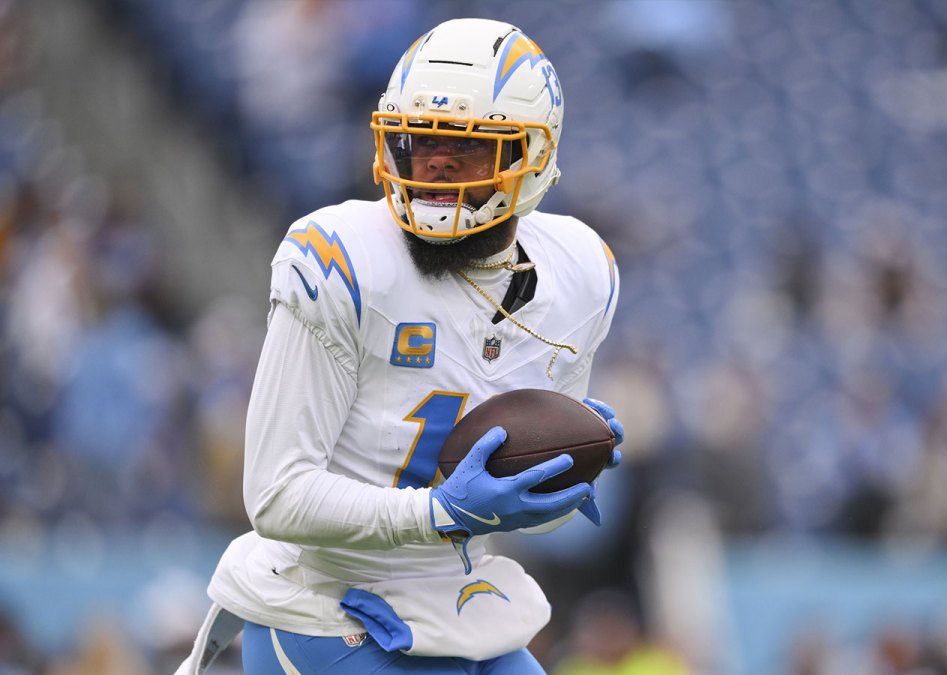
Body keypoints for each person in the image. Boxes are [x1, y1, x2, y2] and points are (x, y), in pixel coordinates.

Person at [174, 17, 624, 675]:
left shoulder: (581, 271)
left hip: (452, 599)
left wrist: (556, 483)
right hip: (323, 603)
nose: (436, 168)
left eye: (465, 151)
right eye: (419, 144)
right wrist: (439, 512)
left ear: (532, 155)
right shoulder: (342, 259)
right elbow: (275, 494)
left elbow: (525, 517)